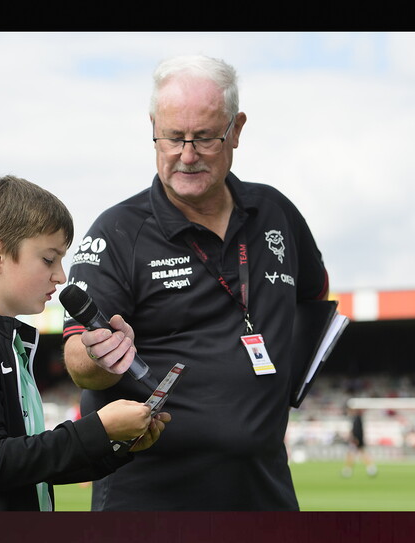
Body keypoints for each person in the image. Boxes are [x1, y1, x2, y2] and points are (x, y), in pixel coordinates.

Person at [62, 55, 330, 510]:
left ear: (236, 130)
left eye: (204, 138)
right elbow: (75, 356)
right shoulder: (117, 231)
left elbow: (314, 297)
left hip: (264, 493)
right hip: (150, 500)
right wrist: (98, 355)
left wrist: (284, 384)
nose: (186, 155)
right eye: (172, 138)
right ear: (152, 127)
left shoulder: (275, 213)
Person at [0, 175, 170, 511]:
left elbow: (30, 463)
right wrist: (98, 429)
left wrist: (118, 445)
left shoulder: (6, 337)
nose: (61, 275)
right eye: (48, 259)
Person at [341, 408, 377, 477]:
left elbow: (357, 430)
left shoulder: (357, 419)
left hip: (356, 440)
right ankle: (371, 468)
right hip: (357, 440)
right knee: (360, 454)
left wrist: (355, 439)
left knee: (351, 454)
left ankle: (348, 470)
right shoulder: (357, 418)